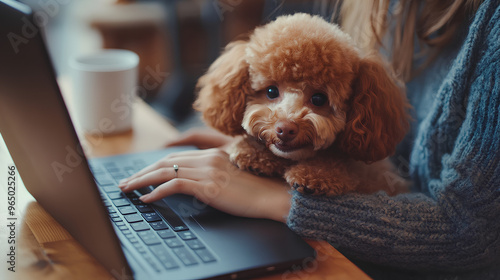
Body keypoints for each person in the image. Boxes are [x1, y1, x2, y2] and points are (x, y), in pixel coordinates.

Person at [119, 0, 500, 278]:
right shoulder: (386, 9)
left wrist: (271, 198)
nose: (285, 120)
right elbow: (399, 150)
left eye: (317, 99)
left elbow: (472, 234)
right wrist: (244, 157)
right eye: (271, 92)